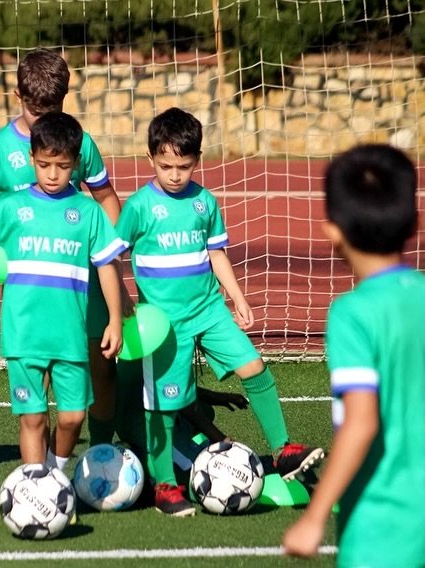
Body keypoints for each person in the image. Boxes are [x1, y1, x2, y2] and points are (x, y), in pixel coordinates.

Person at [115, 107, 325, 516]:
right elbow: (113, 257)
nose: (175, 174)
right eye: (166, 166)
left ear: (197, 161)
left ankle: (282, 451)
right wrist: (121, 304)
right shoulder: (139, 206)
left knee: (255, 366)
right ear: (151, 159)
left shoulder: (204, 202)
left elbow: (216, 253)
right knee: (162, 404)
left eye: (184, 166)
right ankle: (164, 487)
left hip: (210, 309)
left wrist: (238, 298)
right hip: (165, 325)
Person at [0, 47, 138, 451]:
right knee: (36, 376)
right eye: (33, 109)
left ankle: (100, 452)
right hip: (29, 276)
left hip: (80, 274)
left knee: (102, 365)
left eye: (52, 109)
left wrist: (106, 253)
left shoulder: (80, 144)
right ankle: (38, 472)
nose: (43, 119)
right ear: (17, 96)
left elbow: (107, 199)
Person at [0, 111, 126, 472]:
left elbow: (107, 265)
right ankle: (34, 484)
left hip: (70, 336)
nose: (52, 173)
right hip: (23, 334)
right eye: (44, 164)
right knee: (33, 418)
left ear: (76, 164)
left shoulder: (88, 212)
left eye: (62, 166)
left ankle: (56, 471)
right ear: (32, 160)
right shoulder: (11, 207)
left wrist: (115, 319)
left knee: (73, 417)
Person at [283, 144, 424, 565]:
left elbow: (361, 422)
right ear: (413, 222)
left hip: (380, 528)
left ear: (333, 231)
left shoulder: (352, 313)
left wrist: (314, 516)